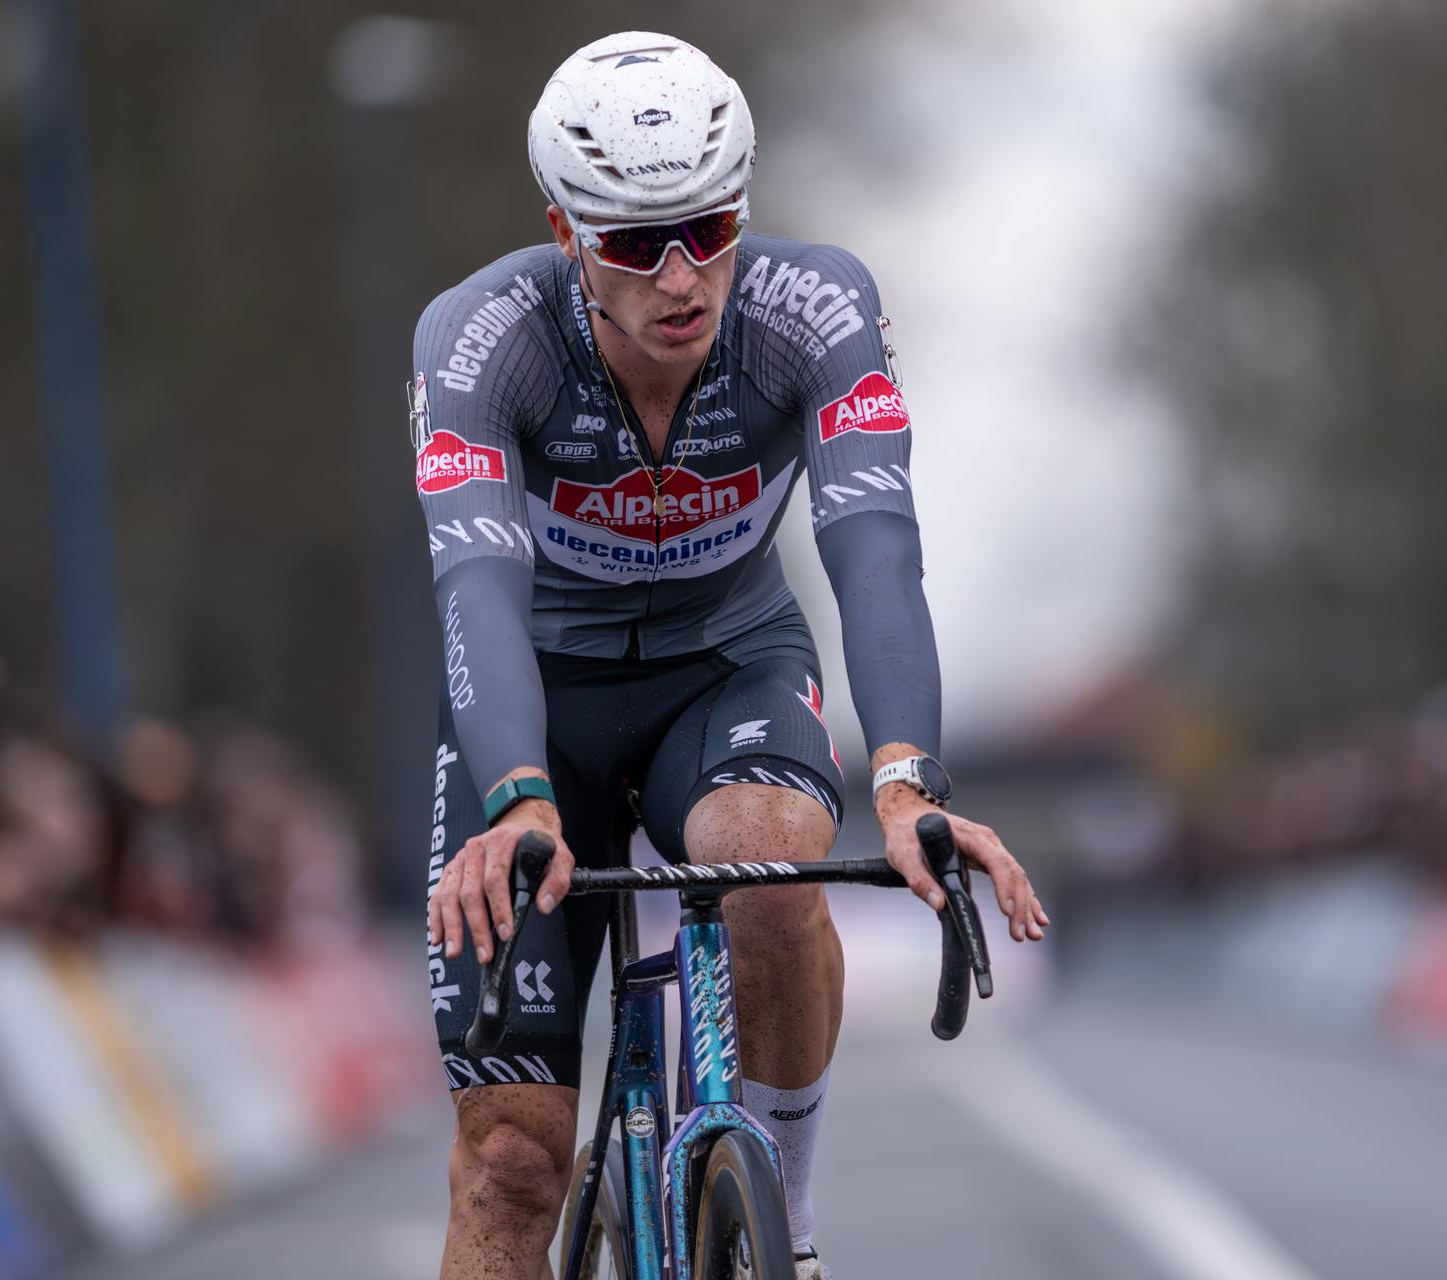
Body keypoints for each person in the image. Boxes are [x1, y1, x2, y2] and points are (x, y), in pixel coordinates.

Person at [416, 32, 1048, 1280]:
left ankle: (789, 1233)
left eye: (708, 229)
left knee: (764, 854)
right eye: (638, 243)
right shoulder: (481, 338)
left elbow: (876, 550)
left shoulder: (812, 309)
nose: (681, 275)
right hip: (537, 702)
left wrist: (910, 781)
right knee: (511, 1163)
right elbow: (476, 583)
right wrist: (517, 796)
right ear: (566, 230)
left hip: (727, 665)